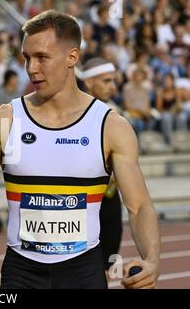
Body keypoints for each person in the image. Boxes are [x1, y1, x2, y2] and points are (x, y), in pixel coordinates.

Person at [0, 10, 160, 289]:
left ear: (72, 57)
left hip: (83, 270)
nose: (32, 68)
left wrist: (152, 259)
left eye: (42, 57)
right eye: (26, 58)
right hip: (21, 272)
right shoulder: (3, 120)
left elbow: (139, 206)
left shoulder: (110, 127)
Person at [81, 57, 123, 276]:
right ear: (89, 82)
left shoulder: (114, 112)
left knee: (106, 267)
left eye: (113, 81)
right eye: (106, 81)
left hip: (110, 197)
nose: (112, 87)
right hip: (82, 200)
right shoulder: (73, 114)